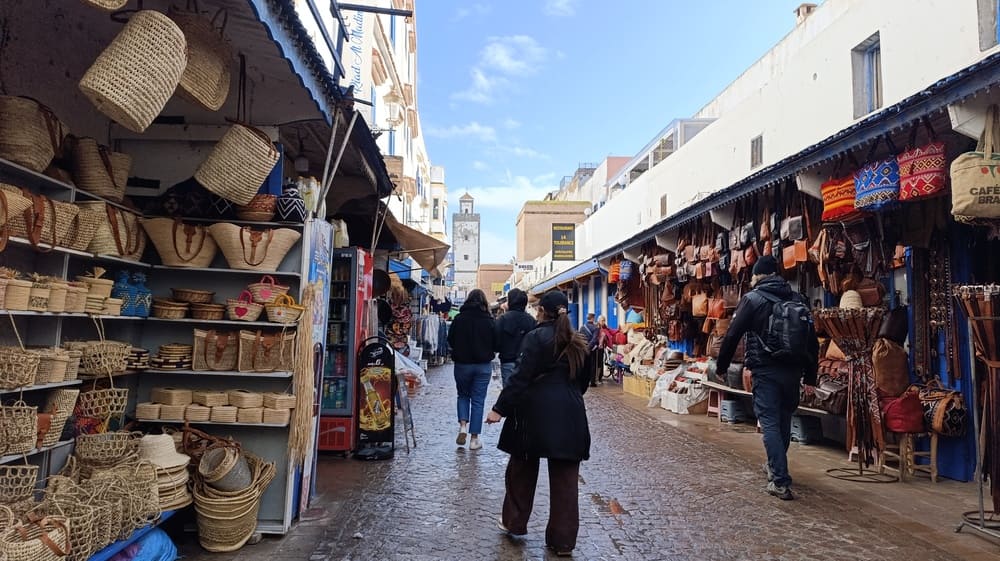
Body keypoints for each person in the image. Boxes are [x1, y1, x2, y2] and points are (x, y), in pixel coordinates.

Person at [486, 291, 591, 557]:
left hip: (532, 413)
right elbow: (584, 383)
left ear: (542, 311)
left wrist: (500, 409)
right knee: (566, 482)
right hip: (570, 414)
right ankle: (563, 542)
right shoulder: (579, 341)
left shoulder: (534, 338)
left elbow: (520, 378)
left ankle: (514, 523)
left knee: (521, 469)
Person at [716, 255, 819, 501]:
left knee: (770, 423)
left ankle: (780, 481)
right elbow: (812, 342)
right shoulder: (798, 299)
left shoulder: (752, 300)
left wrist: (721, 366)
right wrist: (811, 378)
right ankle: (776, 466)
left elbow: (732, 336)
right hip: (793, 371)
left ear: (757, 276)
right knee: (783, 421)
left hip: (766, 370)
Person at [447, 289, 496, 450]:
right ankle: (474, 439)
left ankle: (462, 426)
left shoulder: (459, 319)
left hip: (462, 365)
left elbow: (450, 340)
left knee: (463, 395)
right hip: (483, 366)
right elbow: (496, 343)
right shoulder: (489, 320)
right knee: (478, 400)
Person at [494, 288, 537, 388]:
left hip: (507, 360)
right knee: (525, 392)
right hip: (527, 362)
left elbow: (496, 342)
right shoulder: (531, 320)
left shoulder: (503, 319)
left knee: (509, 392)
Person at [578, 313, 600, 387]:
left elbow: (579, 338)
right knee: (593, 365)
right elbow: (594, 340)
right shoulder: (595, 328)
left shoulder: (582, 328)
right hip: (592, 350)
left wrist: (583, 347)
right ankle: (592, 382)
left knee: (584, 364)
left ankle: (584, 379)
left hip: (583, 348)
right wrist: (589, 348)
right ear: (593, 318)